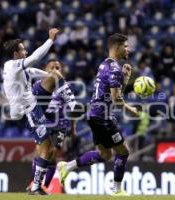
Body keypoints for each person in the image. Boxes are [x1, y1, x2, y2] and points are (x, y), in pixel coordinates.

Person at [57, 33, 139, 196]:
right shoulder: (114, 68)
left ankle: (67, 166)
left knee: (105, 154)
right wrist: (132, 110)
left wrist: (126, 77)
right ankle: (116, 190)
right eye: (125, 46)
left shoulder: (105, 65)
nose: (128, 49)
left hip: (95, 115)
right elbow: (116, 99)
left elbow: (113, 95)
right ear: (117, 47)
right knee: (123, 152)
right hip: (103, 117)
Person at [2, 28, 79, 195]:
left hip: (33, 105)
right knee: (45, 149)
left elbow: (33, 72)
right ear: (16, 53)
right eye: (23, 49)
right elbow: (35, 58)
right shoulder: (13, 65)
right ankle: (36, 186)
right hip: (29, 110)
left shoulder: (16, 68)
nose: (26, 51)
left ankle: (36, 186)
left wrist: (52, 75)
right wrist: (50, 40)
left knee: (49, 150)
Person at [27, 60, 78, 194]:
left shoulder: (65, 87)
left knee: (52, 155)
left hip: (59, 125)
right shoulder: (38, 86)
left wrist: (73, 127)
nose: (55, 69)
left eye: (58, 67)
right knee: (40, 152)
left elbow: (72, 110)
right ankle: (35, 183)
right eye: (52, 67)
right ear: (45, 70)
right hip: (43, 123)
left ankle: (44, 186)